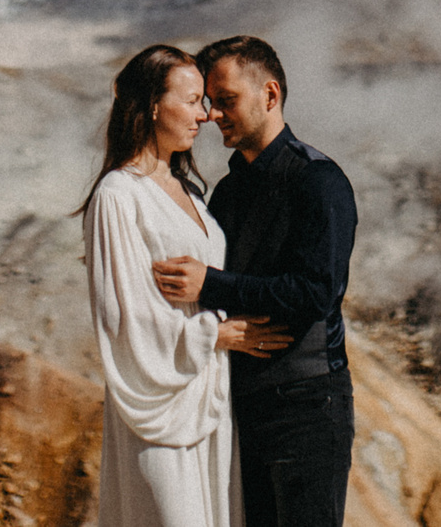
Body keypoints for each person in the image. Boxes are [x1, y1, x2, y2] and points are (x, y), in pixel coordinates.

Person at [83, 44, 293, 527]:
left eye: (207, 102)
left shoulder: (192, 195)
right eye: (193, 100)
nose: (205, 115)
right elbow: (122, 315)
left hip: (210, 399)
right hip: (157, 407)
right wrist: (214, 336)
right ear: (153, 106)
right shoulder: (118, 196)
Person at [152, 37, 358, 527]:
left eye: (227, 101)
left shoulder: (318, 181)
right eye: (208, 103)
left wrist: (211, 285)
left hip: (307, 406)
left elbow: (314, 293)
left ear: (269, 95)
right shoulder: (227, 192)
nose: (214, 116)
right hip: (241, 408)